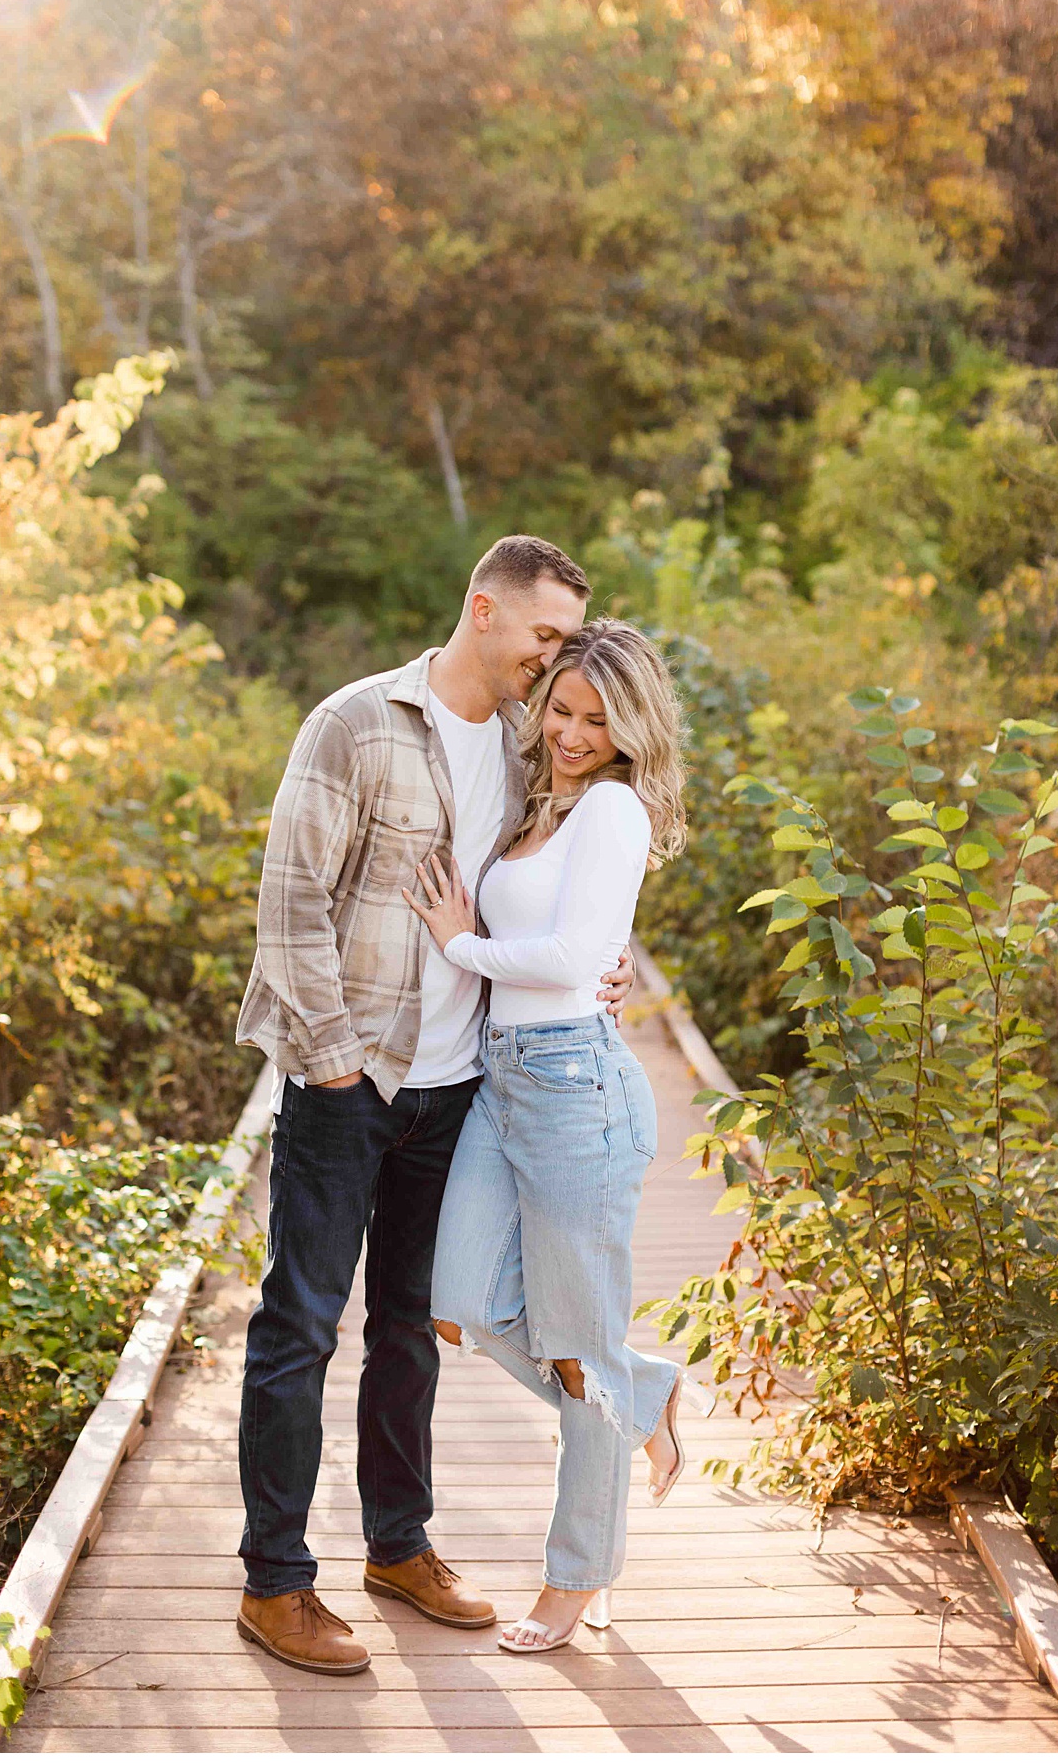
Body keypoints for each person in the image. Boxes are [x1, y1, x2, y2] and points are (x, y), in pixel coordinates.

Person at [233, 538, 638, 1676]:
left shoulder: (527, 751)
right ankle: (275, 1579)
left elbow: (565, 883)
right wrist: (330, 1062)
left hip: (461, 1087)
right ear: (483, 609)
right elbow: (289, 898)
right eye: (546, 638)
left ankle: (397, 1543)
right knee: (301, 1323)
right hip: (349, 1075)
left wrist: (608, 960)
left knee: (409, 1326)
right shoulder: (358, 723)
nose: (554, 667)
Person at [407, 617, 714, 1657]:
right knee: (456, 1298)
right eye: (563, 708)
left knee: (577, 1351)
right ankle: (646, 1386)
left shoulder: (617, 807)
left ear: (631, 729)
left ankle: (574, 1576)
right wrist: (517, 955)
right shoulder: (539, 798)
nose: (573, 731)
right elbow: (577, 945)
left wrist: (464, 943)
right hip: (505, 1079)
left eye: (596, 718)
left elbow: (580, 950)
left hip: (579, 1086)